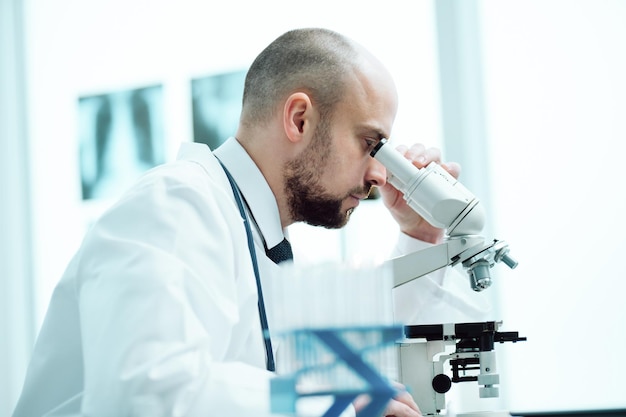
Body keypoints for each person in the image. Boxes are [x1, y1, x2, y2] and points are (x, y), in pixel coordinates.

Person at [13, 28, 486, 417]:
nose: (379, 173)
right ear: (299, 119)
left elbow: (364, 368)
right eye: (370, 143)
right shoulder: (176, 206)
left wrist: (420, 235)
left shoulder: (258, 238)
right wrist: (326, 402)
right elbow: (148, 392)